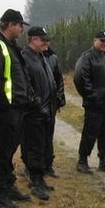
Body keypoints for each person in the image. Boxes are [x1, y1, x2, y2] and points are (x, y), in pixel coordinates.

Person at [0, 9, 33, 208]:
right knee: (1, 151)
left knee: (9, 150)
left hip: (17, 109)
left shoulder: (11, 46)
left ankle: (8, 184)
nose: (22, 30)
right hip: (5, 111)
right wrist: (3, 106)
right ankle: (0, 194)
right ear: (11, 25)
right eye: (20, 25)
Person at [74, 30, 105, 173]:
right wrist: (94, 96)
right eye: (102, 41)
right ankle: (82, 161)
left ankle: (104, 160)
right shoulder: (86, 58)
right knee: (90, 133)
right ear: (94, 41)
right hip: (94, 106)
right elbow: (80, 79)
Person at [20, 27, 57, 200]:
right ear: (33, 39)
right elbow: (26, 86)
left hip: (46, 111)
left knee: (42, 146)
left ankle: (40, 179)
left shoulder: (41, 57)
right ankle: (35, 182)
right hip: (34, 113)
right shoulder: (25, 58)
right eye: (43, 40)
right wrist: (36, 104)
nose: (46, 43)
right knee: (34, 148)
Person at [43, 45, 66, 177]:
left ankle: (48, 165)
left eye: (47, 40)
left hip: (51, 105)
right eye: (43, 40)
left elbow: (59, 80)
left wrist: (59, 99)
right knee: (33, 139)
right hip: (37, 106)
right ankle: (32, 168)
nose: (46, 43)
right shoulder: (27, 56)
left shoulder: (53, 58)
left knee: (49, 136)